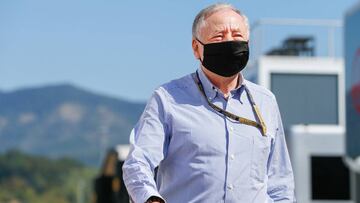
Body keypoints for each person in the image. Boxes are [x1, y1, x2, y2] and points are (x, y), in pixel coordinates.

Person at [123, 3, 295, 203]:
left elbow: (280, 183)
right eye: (219, 36)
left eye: (237, 36)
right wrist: (150, 198)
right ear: (196, 48)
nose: (230, 42)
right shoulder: (168, 99)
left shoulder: (265, 102)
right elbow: (138, 162)